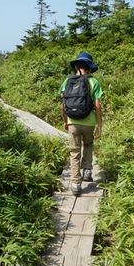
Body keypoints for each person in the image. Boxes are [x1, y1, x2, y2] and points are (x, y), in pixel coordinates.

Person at [59, 52, 103, 196]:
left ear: (76, 66)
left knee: (74, 151)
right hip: (89, 123)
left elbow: (62, 104)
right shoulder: (93, 82)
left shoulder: (67, 82)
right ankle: (87, 172)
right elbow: (97, 105)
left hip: (73, 122)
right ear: (89, 68)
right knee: (88, 145)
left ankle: (76, 184)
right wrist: (99, 125)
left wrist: (65, 121)